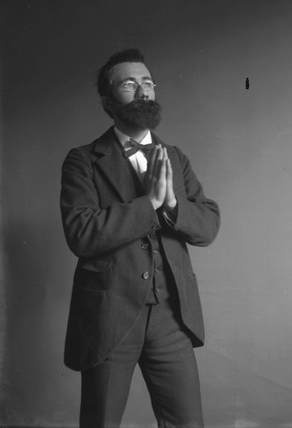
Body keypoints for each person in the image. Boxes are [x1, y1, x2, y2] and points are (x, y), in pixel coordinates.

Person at [60, 49, 220, 428]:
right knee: (101, 421)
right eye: (129, 84)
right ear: (107, 100)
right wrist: (149, 203)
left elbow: (208, 225)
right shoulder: (82, 160)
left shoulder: (176, 158)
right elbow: (81, 234)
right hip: (109, 317)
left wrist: (173, 207)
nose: (143, 90)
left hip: (172, 317)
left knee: (187, 423)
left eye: (148, 82)